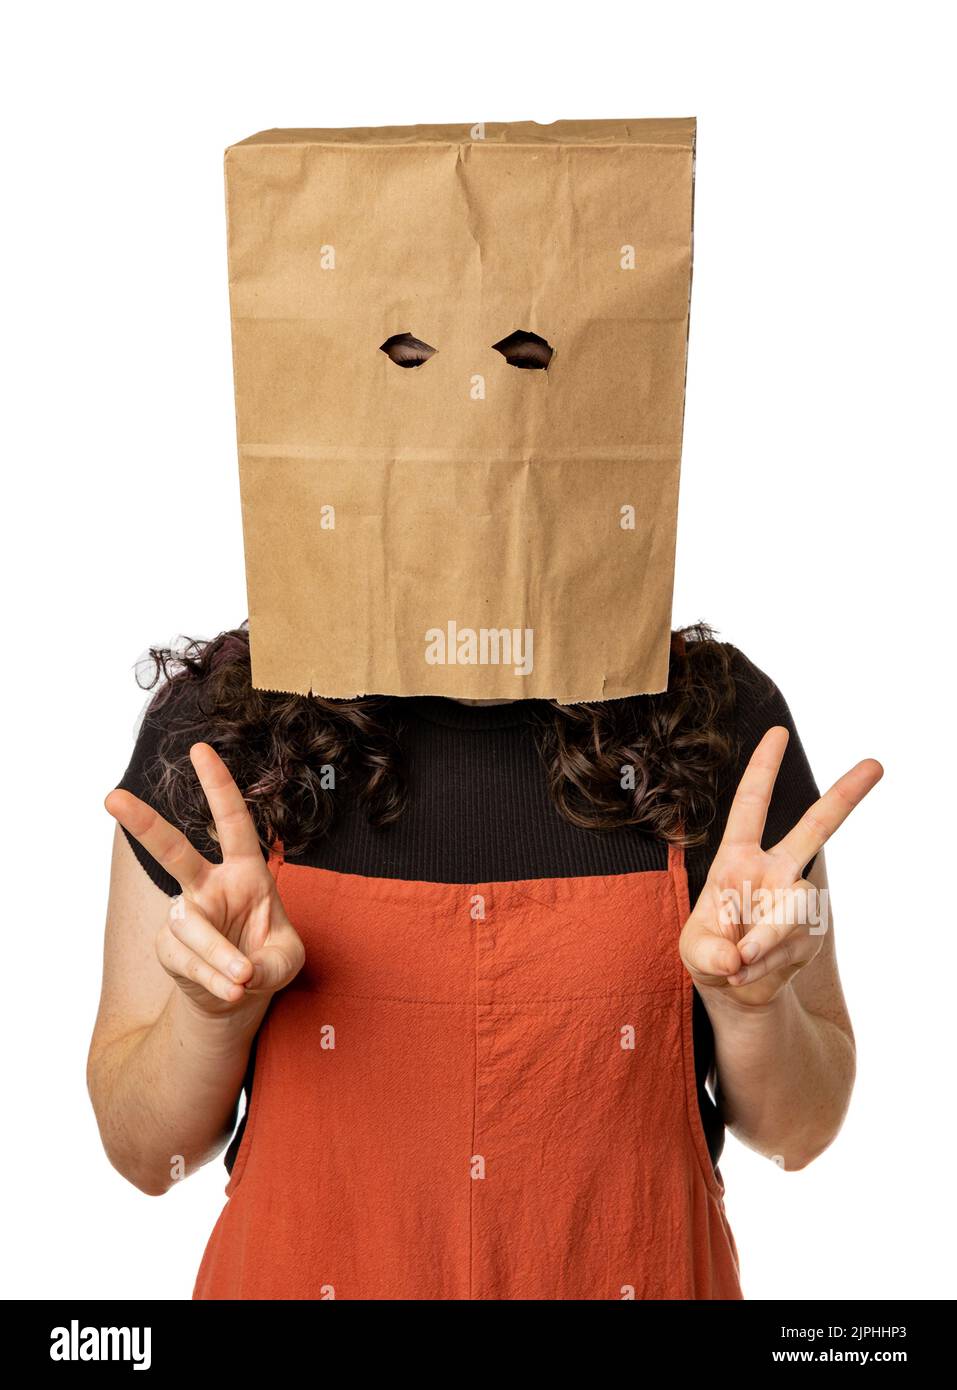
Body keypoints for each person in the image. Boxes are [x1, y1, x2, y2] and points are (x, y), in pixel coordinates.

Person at [87, 622, 881, 1299]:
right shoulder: (223, 729)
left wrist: (751, 1007)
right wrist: (211, 1011)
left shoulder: (718, 723)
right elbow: (146, 1154)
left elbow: (798, 1132)